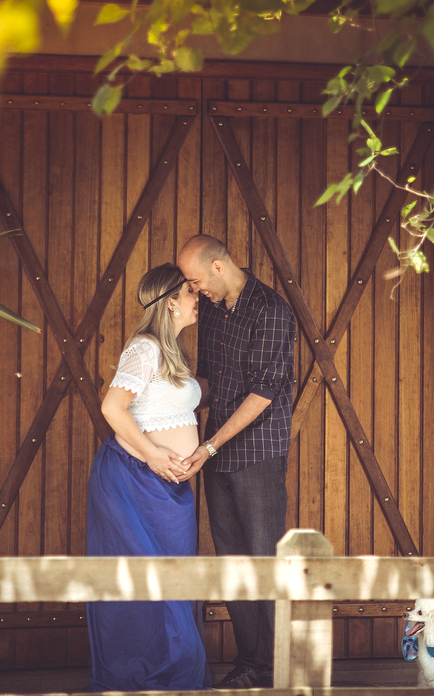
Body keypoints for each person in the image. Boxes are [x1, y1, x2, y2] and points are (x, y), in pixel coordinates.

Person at [176, 234, 295, 690]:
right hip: (216, 454)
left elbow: (263, 393)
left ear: (218, 266)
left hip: (257, 454)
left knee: (264, 559)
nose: (194, 290)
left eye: (195, 280)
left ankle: (276, 666)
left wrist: (208, 447)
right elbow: (208, 380)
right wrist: (164, 403)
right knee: (232, 561)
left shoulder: (270, 310)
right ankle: (251, 662)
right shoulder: (211, 309)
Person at [86, 264, 207, 692]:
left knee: (174, 579)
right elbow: (112, 408)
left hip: (168, 487)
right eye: (190, 291)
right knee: (143, 582)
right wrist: (155, 455)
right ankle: (137, 681)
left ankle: (170, 677)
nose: (197, 297)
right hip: (132, 480)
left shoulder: (172, 351)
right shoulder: (145, 347)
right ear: (171, 301)